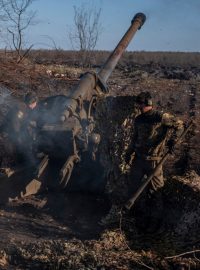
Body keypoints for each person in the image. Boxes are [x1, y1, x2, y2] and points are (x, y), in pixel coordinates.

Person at [125, 91, 184, 232]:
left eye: (139, 104)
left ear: (144, 104)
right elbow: (135, 138)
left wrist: (172, 142)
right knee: (133, 188)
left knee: (155, 192)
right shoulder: (139, 119)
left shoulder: (161, 117)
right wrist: (129, 153)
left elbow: (180, 125)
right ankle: (134, 218)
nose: (137, 106)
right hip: (139, 159)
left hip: (154, 162)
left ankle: (155, 223)